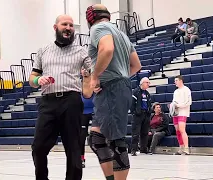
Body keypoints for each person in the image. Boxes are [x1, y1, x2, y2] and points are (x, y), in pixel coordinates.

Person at [29, 14, 92, 180]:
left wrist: (88, 78)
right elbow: (32, 79)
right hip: (48, 102)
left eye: (71, 25)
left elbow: (93, 72)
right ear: (55, 27)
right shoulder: (43, 50)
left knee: (73, 148)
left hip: (71, 101)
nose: (69, 28)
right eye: (65, 24)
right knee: (38, 147)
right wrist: (38, 79)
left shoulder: (81, 51)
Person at [86, 4, 141, 180]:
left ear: (90, 18)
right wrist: (119, 76)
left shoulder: (98, 28)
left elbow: (107, 49)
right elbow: (136, 66)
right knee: (97, 139)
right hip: (118, 86)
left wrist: (95, 76)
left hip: (111, 89)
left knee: (115, 142)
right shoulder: (122, 35)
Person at [170, 75, 192, 155]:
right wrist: (172, 105)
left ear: (180, 81)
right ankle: (181, 147)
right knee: (177, 130)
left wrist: (179, 105)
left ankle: (186, 148)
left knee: (182, 129)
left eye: (176, 80)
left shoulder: (186, 90)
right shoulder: (176, 91)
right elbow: (174, 101)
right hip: (176, 112)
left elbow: (189, 102)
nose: (175, 82)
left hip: (183, 112)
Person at [130, 77, 152, 156]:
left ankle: (144, 149)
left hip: (146, 114)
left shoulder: (147, 93)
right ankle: (133, 149)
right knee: (135, 133)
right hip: (138, 115)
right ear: (142, 83)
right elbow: (132, 103)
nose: (148, 84)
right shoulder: (136, 92)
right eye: (147, 83)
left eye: (149, 83)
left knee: (145, 133)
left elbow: (149, 104)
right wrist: (134, 112)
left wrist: (149, 112)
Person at [80, 68, 94, 168]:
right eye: (83, 69)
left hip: (95, 111)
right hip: (82, 112)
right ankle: (81, 158)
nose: (85, 71)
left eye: (87, 69)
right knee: (81, 137)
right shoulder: (77, 83)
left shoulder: (95, 81)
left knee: (102, 134)